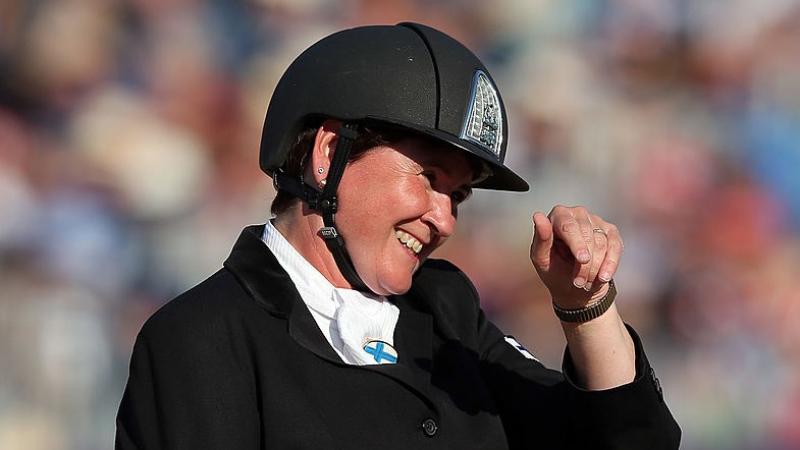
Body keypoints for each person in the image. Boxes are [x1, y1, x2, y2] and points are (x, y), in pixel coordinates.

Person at [115, 23, 680, 449]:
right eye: (429, 179)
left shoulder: (447, 312)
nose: (445, 219)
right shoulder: (202, 339)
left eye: (457, 197)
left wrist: (586, 305)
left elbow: (629, 441)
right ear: (328, 155)